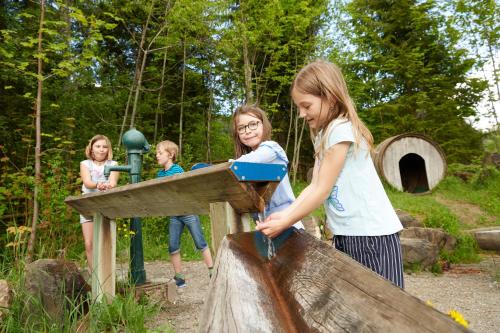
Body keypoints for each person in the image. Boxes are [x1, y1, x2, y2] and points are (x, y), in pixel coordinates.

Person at [257, 60, 404, 288]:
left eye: (306, 106)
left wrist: (286, 221)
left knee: (386, 309)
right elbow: (313, 185)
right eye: (299, 107)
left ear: (330, 97)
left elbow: (321, 190)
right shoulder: (324, 133)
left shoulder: (340, 129)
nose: (301, 114)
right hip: (348, 233)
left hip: (371, 236)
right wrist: (284, 214)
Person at [231, 105, 304, 241]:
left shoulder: (271, 148)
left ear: (264, 125)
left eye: (253, 124)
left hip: (288, 226)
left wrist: (228, 165)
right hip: (268, 229)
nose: (247, 131)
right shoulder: (248, 161)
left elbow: (241, 164)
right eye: (241, 128)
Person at [156, 140, 214, 288]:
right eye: (157, 153)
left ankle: (212, 270)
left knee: (199, 241)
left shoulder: (177, 170)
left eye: (160, 153)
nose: (157, 156)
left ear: (171, 155)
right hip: (174, 214)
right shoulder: (159, 174)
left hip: (187, 211)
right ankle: (179, 276)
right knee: (172, 245)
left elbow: (183, 189)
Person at [80, 134, 119, 270]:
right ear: (91, 149)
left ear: (108, 150)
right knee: (89, 243)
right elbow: (87, 182)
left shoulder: (113, 164)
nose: (101, 149)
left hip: (105, 205)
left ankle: (106, 273)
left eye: (104, 147)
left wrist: (108, 186)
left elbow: (113, 182)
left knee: (105, 244)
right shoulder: (85, 164)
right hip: (88, 205)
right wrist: (98, 185)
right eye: (98, 146)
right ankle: (94, 274)